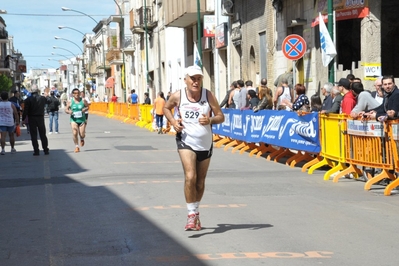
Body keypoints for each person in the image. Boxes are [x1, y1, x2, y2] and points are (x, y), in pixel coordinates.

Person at [163, 65, 224, 231]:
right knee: (190, 176)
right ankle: (191, 214)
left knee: (200, 181)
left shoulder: (208, 95)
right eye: (192, 78)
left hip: (205, 143)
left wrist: (210, 120)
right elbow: (166, 108)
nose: (196, 82)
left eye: (198, 78)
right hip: (186, 141)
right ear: (186, 80)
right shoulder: (178, 95)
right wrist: (174, 122)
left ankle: (195, 212)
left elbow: (221, 116)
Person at [22, 85, 50, 156]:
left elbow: (26, 110)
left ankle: (36, 150)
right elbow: (49, 101)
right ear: (38, 90)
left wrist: (23, 119)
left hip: (32, 118)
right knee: (42, 134)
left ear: (31, 90)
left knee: (33, 135)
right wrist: (47, 95)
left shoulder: (28, 99)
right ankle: (45, 149)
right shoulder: (42, 98)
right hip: (40, 117)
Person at [65, 88, 89, 153]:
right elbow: (66, 109)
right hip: (74, 120)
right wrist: (69, 112)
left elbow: (88, 107)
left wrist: (85, 109)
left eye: (78, 93)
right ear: (73, 94)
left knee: (82, 134)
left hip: (82, 120)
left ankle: (82, 138)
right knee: (75, 132)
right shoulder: (70, 101)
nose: (77, 94)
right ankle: (76, 146)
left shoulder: (83, 100)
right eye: (75, 93)